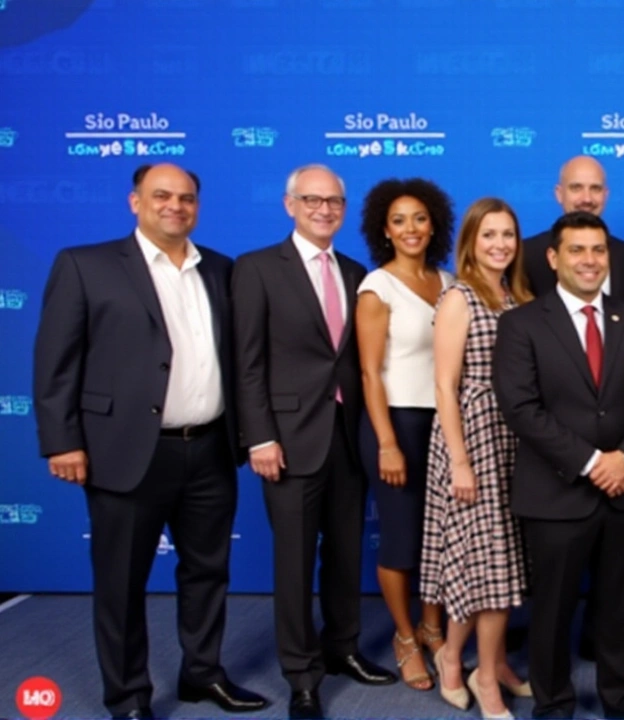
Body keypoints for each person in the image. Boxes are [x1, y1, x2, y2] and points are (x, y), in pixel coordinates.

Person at [33, 163, 268, 720]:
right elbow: (55, 363)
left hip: (209, 448)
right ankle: (129, 697)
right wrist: (62, 442)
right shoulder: (84, 265)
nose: (175, 206)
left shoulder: (221, 269)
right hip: (125, 452)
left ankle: (202, 674)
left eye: (186, 198)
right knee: (121, 583)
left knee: (208, 572)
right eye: (162, 196)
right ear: (134, 201)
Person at [494, 211, 624, 720]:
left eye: (598, 250)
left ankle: (621, 696)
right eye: (576, 250)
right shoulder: (521, 324)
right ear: (553, 259)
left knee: (617, 604)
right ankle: (553, 703)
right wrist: (594, 461)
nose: (589, 260)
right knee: (551, 609)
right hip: (556, 491)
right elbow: (520, 408)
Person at [233, 164, 393, 720]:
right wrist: (259, 436)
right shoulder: (256, 269)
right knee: (295, 564)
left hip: (348, 441)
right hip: (287, 441)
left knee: (346, 556)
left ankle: (343, 648)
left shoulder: (356, 272)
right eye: (312, 200)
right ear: (289, 204)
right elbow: (247, 362)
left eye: (334, 202)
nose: (324, 210)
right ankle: (302, 674)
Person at [420, 197, 533, 719]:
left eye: (508, 234)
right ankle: (483, 678)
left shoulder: (518, 295)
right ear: (471, 240)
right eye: (489, 235)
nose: (500, 245)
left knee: (498, 566)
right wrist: (461, 462)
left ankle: (468, 656)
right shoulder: (459, 298)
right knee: (484, 567)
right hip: (473, 441)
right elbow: (444, 386)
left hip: (516, 442)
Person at [354, 178, 456, 690]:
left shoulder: (450, 280)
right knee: (401, 539)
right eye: (399, 220)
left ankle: (432, 625)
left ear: (433, 223)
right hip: (394, 424)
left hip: (444, 427)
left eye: (419, 217)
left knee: (437, 539)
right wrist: (388, 441)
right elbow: (369, 373)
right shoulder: (378, 286)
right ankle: (405, 638)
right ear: (384, 230)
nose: (410, 228)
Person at [522, 155, 624, 304]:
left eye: (595, 188)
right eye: (576, 188)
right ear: (559, 194)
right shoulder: (527, 255)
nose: (587, 199)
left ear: (605, 195)